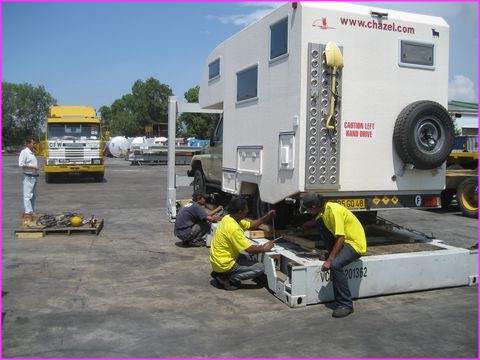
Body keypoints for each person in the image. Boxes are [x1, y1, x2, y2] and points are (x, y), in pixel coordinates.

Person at [302, 193, 367, 318]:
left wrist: (330, 260)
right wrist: (306, 225)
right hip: (346, 243)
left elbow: (340, 238)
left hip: (355, 244)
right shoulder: (323, 212)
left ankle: (346, 305)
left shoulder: (334, 210)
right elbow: (318, 221)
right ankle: (332, 254)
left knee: (336, 265)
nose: (308, 211)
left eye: (308, 209)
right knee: (319, 222)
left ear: (315, 206)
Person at [209, 197, 275, 290]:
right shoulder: (234, 228)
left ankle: (221, 273)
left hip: (218, 260)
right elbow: (250, 249)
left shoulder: (229, 218)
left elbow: (252, 225)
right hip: (224, 263)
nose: (248, 211)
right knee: (259, 268)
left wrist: (266, 216)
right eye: (246, 209)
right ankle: (229, 279)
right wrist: (264, 248)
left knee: (248, 257)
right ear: (240, 211)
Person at [18, 138, 39, 217]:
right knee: (27, 195)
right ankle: (28, 212)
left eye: (35, 143)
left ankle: (32, 211)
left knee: (33, 196)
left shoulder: (31, 153)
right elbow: (21, 164)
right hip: (28, 176)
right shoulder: (24, 152)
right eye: (33, 143)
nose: (35, 145)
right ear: (28, 144)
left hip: (34, 176)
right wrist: (33, 167)